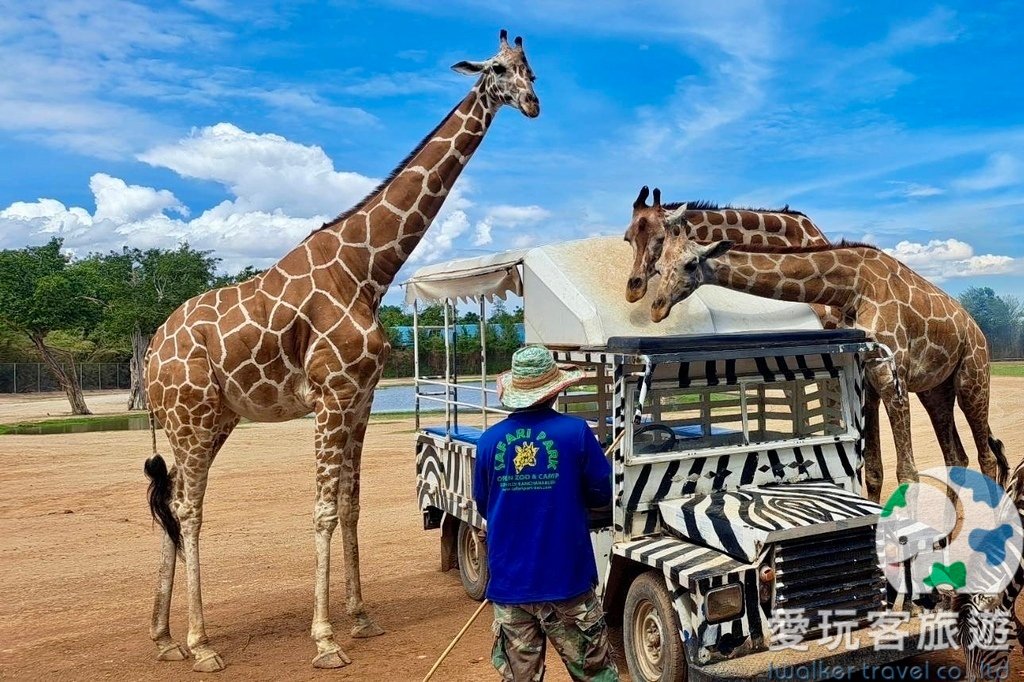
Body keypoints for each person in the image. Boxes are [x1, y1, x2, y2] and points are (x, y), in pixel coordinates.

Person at [473, 345, 618, 682]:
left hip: (511, 587)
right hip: (567, 583)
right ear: (555, 391)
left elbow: (484, 504)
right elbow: (603, 493)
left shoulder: (489, 441)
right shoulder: (576, 433)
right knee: (596, 676)